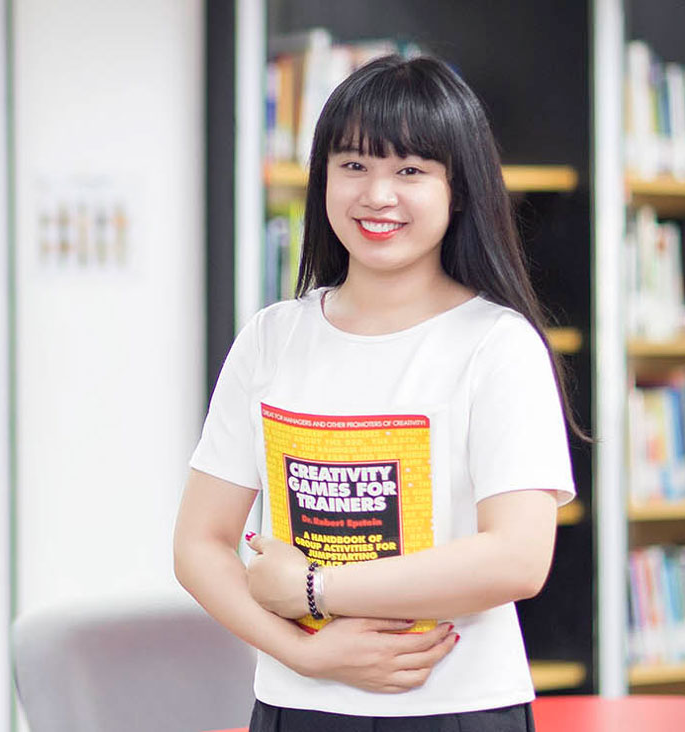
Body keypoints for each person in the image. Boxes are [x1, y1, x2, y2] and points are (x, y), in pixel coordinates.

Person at [174, 54, 582, 732]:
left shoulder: (498, 345)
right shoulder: (272, 337)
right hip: (295, 706)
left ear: (460, 190)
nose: (377, 195)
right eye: (354, 165)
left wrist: (317, 590)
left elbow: (517, 557)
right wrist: (306, 653)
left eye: (411, 171)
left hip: (457, 706)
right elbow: (199, 544)